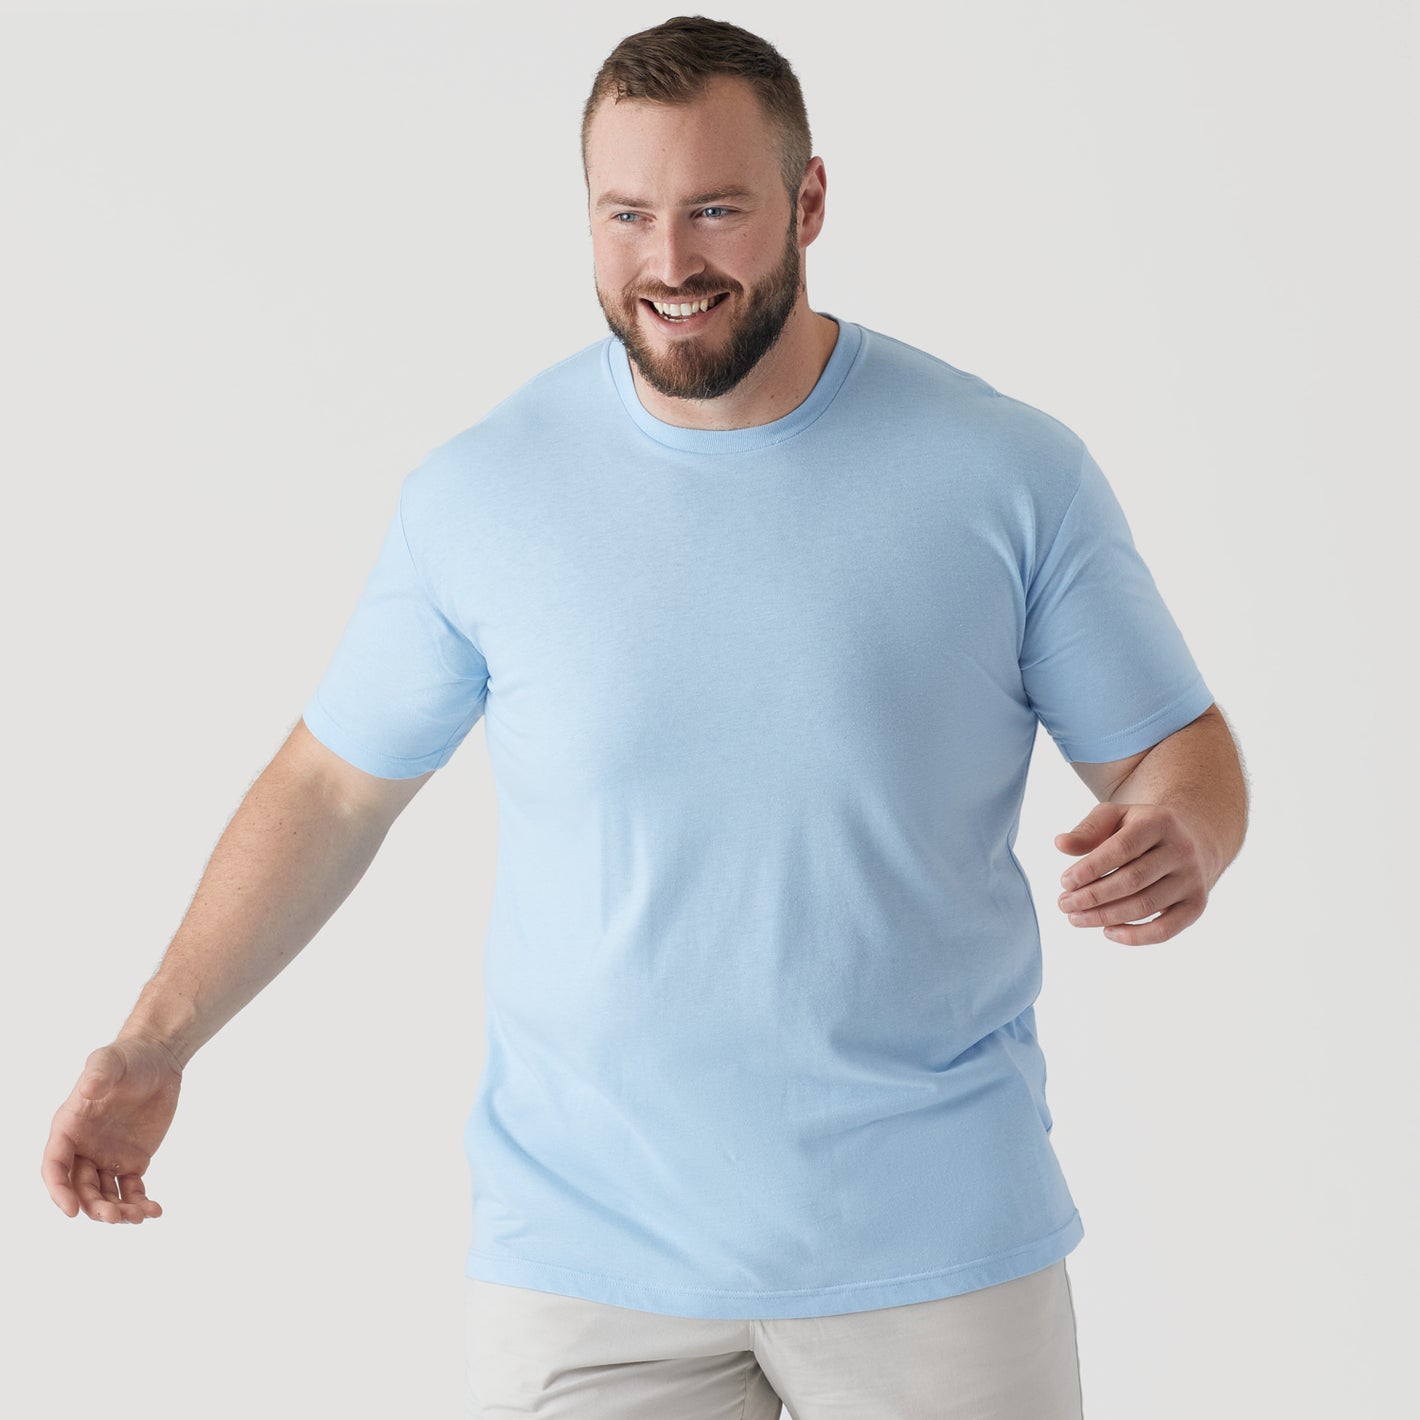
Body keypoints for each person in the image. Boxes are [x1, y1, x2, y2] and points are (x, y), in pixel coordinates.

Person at [42, 15, 1248, 1419]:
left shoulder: (1008, 473)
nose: (668, 262)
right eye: (627, 215)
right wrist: (153, 1042)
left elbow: (1179, 748)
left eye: (716, 210)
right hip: (586, 1265)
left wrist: (1185, 833)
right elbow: (331, 790)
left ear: (808, 201)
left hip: (931, 1249)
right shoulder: (485, 494)